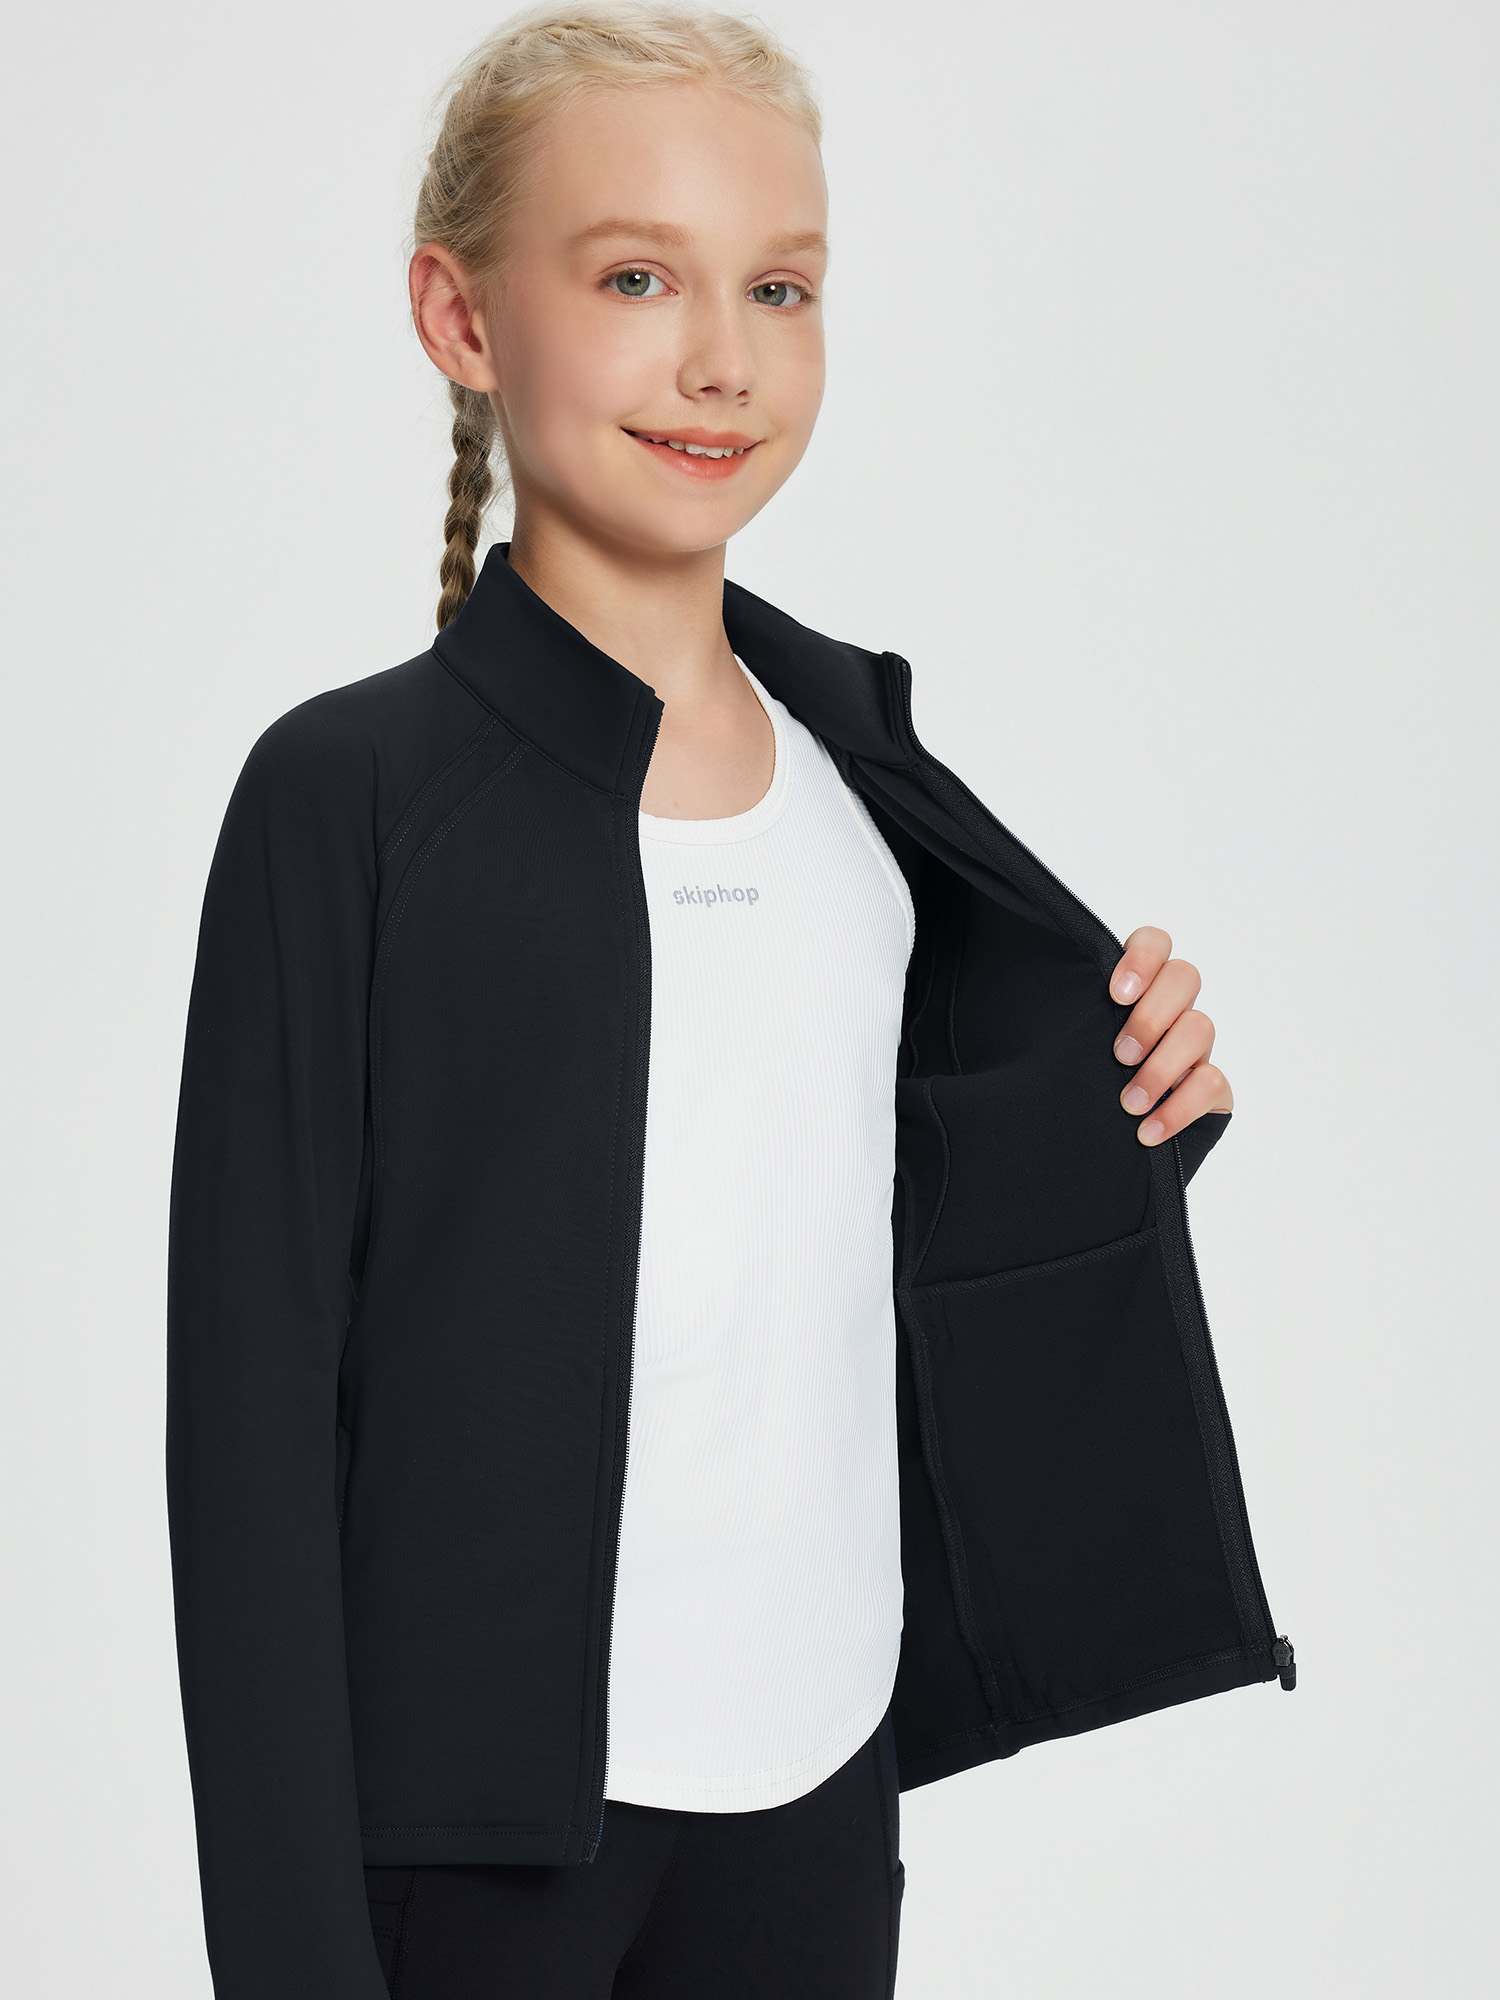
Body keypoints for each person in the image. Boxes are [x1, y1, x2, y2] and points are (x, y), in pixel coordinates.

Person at [165, 7, 1293, 1998]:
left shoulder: (870, 779)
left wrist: (1123, 1118)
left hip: (816, 1795)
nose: (722, 359)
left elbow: (855, 1227)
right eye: (635, 279)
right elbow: (246, 1433)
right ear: (459, 316)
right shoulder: (348, 800)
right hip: (472, 1827)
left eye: (779, 287)